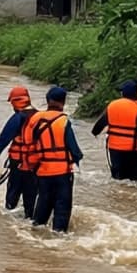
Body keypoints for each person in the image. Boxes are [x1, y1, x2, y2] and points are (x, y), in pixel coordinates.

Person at [27, 86, 84, 231]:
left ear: (47, 101)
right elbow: (74, 149)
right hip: (62, 173)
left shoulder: (34, 119)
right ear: (63, 102)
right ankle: (59, 235)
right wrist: (78, 159)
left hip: (42, 172)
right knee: (62, 208)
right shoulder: (64, 121)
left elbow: (29, 145)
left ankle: (36, 230)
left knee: (43, 204)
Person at [0, 85, 39, 220]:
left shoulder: (17, 118)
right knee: (31, 197)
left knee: (12, 197)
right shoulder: (40, 116)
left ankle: (9, 223)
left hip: (18, 163)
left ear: (15, 102)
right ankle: (30, 219)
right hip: (36, 164)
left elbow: (3, 139)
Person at [92, 81, 137, 181]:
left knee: (118, 178)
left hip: (114, 149)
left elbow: (100, 124)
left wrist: (95, 132)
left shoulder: (112, 106)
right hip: (132, 149)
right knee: (136, 179)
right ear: (136, 94)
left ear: (123, 94)